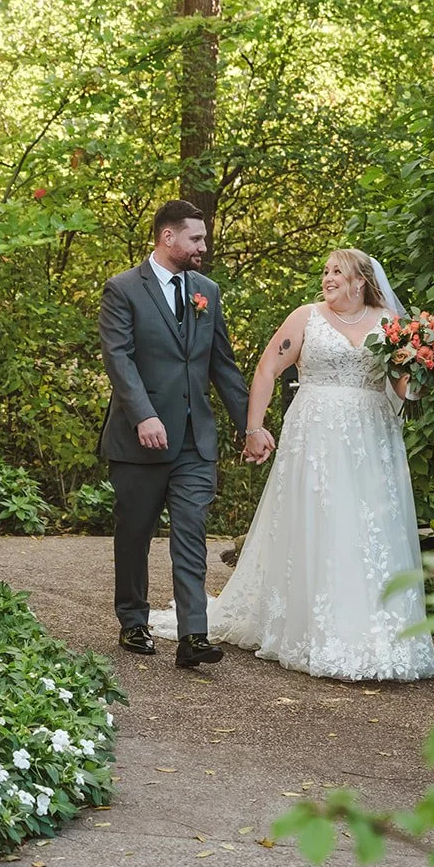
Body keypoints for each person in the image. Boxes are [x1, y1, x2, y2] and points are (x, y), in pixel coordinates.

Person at [155, 249, 434, 683]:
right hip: (315, 437)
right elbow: (267, 368)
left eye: (337, 272)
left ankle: (377, 632)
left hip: (370, 438)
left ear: (360, 281)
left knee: (369, 527)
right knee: (321, 522)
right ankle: (314, 627)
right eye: (325, 271)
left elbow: (403, 390)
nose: (328, 278)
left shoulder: (389, 324)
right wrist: (254, 428)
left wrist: (425, 365)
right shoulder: (306, 317)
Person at [97, 200, 265, 667]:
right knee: (135, 534)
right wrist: (143, 415)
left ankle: (193, 634)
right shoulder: (123, 289)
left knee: (191, 532)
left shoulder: (207, 291)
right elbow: (118, 359)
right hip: (139, 440)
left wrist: (251, 426)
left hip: (195, 440)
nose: (203, 247)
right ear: (167, 237)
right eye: (196, 238)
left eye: (204, 238)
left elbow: (222, 366)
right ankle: (133, 621)